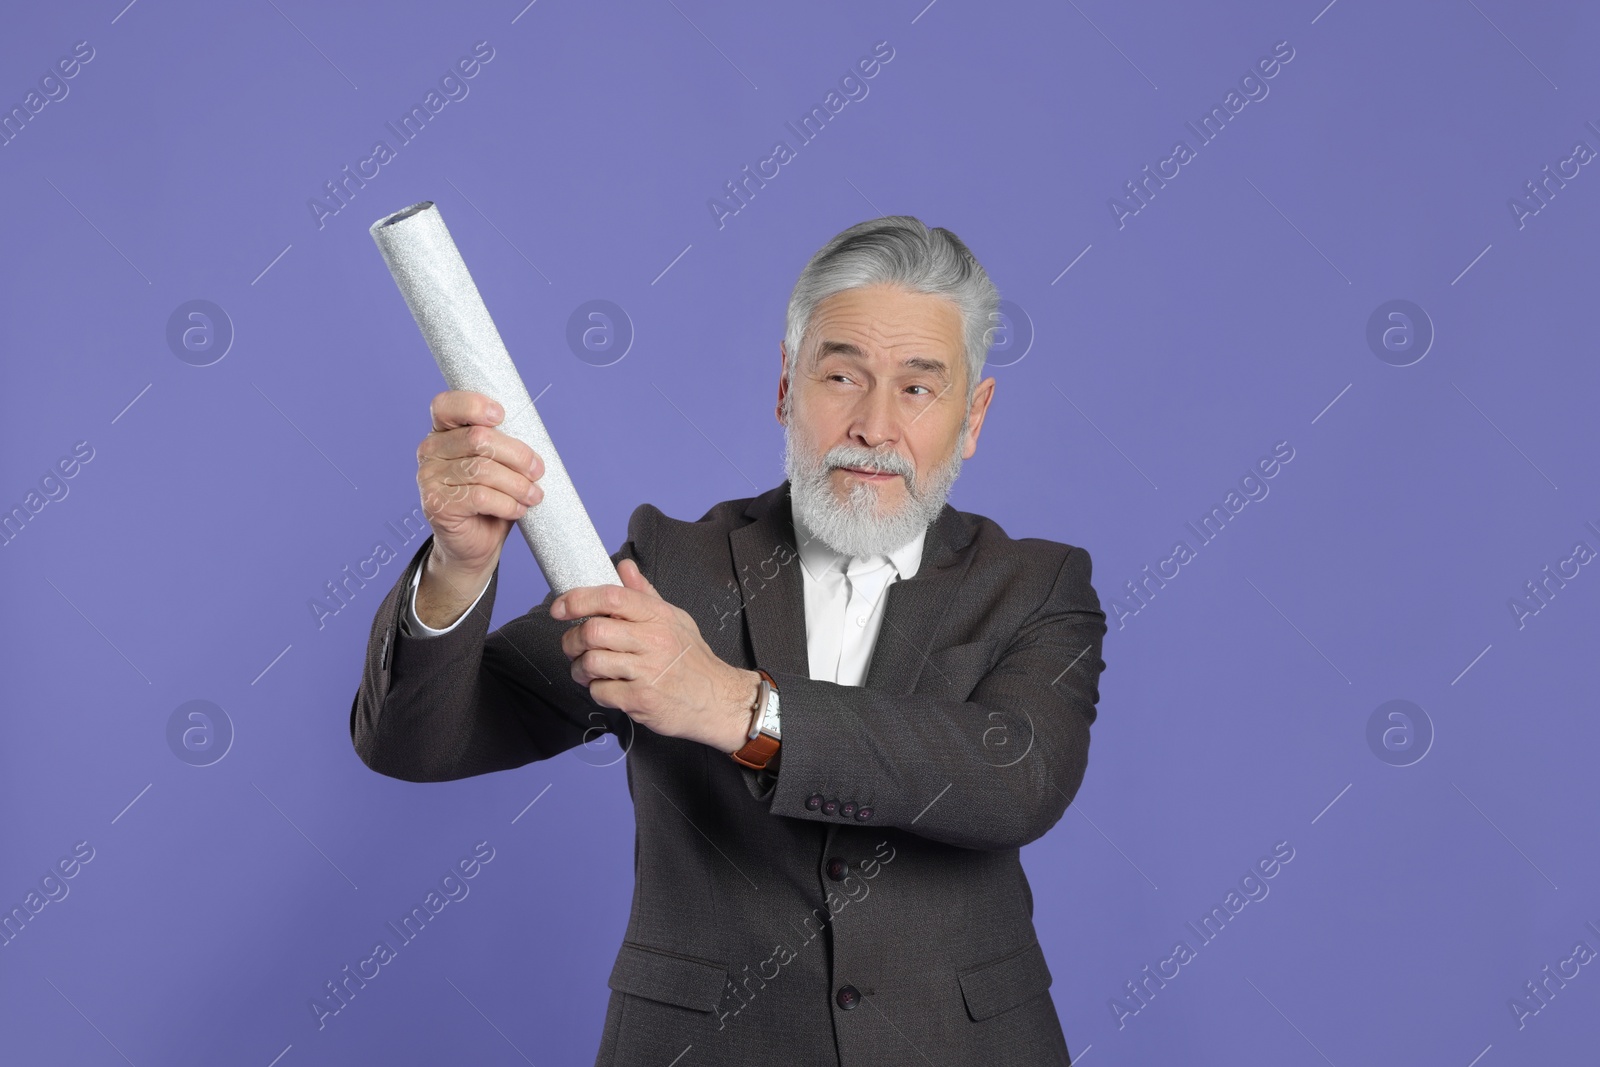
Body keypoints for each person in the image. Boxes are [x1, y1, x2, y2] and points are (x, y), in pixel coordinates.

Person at [350, 215, 1108, 1066]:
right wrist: (458, 568)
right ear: (787, 385)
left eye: (919, 388)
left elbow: (1014, 779)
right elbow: (414, 742)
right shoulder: (670, 568)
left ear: (973, 416)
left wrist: (732, 702)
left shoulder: (1037, 586)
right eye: (841, 374)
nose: (873, 425)